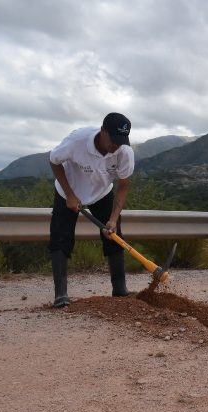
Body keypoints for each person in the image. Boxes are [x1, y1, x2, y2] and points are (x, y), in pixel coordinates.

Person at [48, 112, 135, 307]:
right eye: (113, 139)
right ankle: (60, 294)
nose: (115, 145)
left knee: (114, 236)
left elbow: (123, 186)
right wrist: (70, 195)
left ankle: (120, 290)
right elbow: (54, 161)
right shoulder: (77, 140)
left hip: (102, 193)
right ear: (102, 130)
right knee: (61, 238)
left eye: (120, 141)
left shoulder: (124, 152)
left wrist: (113, 218)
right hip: (68, 191)